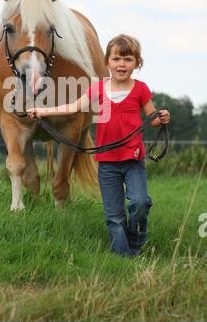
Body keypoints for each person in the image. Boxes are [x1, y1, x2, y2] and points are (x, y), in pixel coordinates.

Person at [27, 34, 170, 258]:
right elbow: (75, 107)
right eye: (116, 59)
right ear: (107, 63)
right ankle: (124, 258)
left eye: (128, 59)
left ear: (137, 63)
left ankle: (135, 244)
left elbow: (151, 119)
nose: (121, 64)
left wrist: (161, 117)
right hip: (108, 163)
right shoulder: (99, 89)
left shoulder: (141, 89)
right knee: (114, 215)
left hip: (133, 161)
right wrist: (43, 111)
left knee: (140, 203)